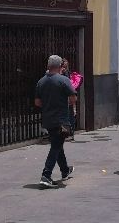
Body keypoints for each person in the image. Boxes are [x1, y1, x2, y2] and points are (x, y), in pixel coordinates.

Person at [34, 54, 76, 188]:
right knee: (56, 146)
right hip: (61, 119)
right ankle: (46, 175)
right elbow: (73, 98)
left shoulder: (41, 82)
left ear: (48, 65)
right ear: (60, 66)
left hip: (48, 119)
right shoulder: (63, 80)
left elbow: (37, 102)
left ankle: (65, 170)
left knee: (57, 144)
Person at [60, 59, 83, 135]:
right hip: (68, 96)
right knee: (70, 114)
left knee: (69, 114)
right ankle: (70, 131)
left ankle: (69, 131)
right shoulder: (66, 73)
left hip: (67, 97)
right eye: (64, 66)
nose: (65, 68)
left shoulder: (65, 74)